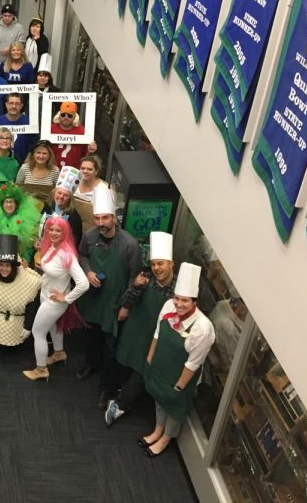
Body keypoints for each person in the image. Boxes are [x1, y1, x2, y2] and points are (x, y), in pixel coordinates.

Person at [140, 263, 215, 457]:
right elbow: (157, 334)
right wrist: (149, 362)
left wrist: (179, 387)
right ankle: (157, 430)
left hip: (180, 375)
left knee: (173, 408)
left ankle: (166, 438)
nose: (179, 304)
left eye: (185, 301)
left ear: (194, 302)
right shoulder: (168, 306)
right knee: (159, 399)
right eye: (177, 299)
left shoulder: (202, 328)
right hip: (160, 366)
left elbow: (194, 363)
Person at [76, 188, 142, 410]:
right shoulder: (90, 236)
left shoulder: (129, 245)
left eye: (105, 218)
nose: (101, 222)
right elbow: (82, 255)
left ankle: (107, 388)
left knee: (111, 348)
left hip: (114, 304)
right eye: (97, 218)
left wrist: (127, 306)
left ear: (114, 218)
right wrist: (88, 271)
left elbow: (135, 278)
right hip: (93, 299)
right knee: (91, 337)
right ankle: (91, 365)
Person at [106, 232, 176, 426]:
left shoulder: (178, 291)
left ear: (172, 264)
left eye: (161, 263)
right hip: (136, 329)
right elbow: (126, 301)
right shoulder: (145, 279)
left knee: (143, 371)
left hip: (156, 338)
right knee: (126, 362)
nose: (156, 268)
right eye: (154, 264)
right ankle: (120, 394)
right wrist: (135, 286)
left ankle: (121, 404)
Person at [22, 216, 89, 381]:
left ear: (65, 232)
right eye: (50, 229)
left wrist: (66, 298)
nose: (53, 233)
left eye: (58, 230)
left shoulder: (68, 255)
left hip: (54, 301)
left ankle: (41, 369)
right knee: (53, 326)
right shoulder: (52, 246)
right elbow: (54, 268)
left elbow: (84, 283)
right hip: (47, 295)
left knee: (38, 332)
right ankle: (59, 353)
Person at [0, 182, 41, 259]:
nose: (9, 205)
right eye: (6, 202)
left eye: (11, 202)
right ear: (2, 204)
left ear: (16, 205)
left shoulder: (23, 219)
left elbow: (27, 243)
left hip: (15, 254)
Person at [38, 166, 84, 247]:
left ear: (70, 198)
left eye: (65, 195)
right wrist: (38, 241)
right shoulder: (48, 207)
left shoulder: (74, 218)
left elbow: (74, 243)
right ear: (54, 193)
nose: (61, 197)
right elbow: (40, 226)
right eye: (59, 193)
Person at [0, 92, 35, 163]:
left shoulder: (29, 122)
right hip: (0, 163)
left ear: (21, 105)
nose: (14, 106)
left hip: (24, 163)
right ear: (6, 104)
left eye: (17, 103)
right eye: (11, 103)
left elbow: (34, 144)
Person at [50, 101, 98, 169]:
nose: (66, 117)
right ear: (59, 115)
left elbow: (86, 156)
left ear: (75, 117)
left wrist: (90, 151)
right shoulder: (50, 129)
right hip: (52, 171)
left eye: (70, 115)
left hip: (74, 172)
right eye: (63, 114)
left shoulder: (82, 131)